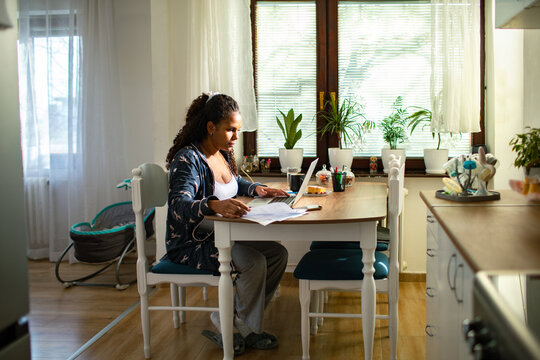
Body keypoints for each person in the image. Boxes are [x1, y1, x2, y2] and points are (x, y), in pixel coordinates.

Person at [164, 92, 289, 355]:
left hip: (224, 234)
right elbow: (178, 204)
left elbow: (232, 185)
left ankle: (235, 321)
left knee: (278, 254)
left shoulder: (220, 154)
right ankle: (240, 327)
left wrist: (257, 189)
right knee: (253, 262)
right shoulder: (188, 159)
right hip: (193, 242)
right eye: (230, 130)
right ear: (211, 128)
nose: (236, 137)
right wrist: (212, 204)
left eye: (238, 130)